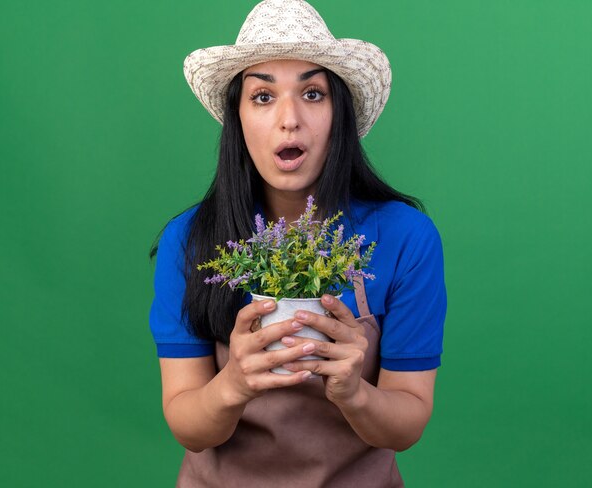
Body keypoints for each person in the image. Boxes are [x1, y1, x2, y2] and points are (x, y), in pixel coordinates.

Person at [149, 1, 447, 486]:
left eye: (312, 93)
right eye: (263, 97)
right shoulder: (190, 239)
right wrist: (233, 385)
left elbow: (407, 423)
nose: (289, 119)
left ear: (339, 115)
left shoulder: (405, 237)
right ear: (238, 119)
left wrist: (354, 391)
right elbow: (188, 425)